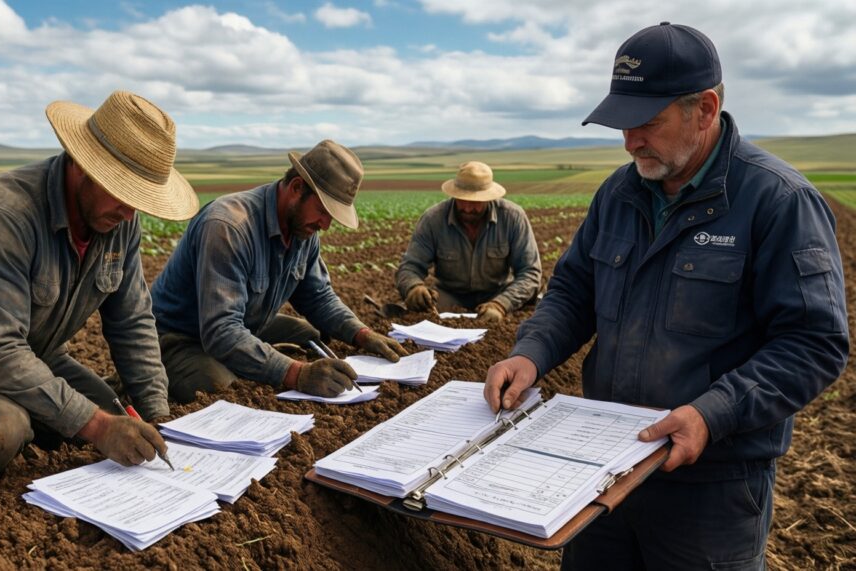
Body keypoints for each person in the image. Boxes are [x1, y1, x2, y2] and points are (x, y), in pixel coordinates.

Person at [484, 22, 848, 570]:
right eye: (621, 125)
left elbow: (813, 342)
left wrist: (710, 414)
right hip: (599, 472)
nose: (630, 142)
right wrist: (530, 353)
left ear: (704, 109)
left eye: (645, 123)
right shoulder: (619, 192)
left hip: (711, 489)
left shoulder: (777, 202)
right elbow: (574, 289)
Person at [0, 90, 200, 501]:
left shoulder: (121, 220)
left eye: (140, 201)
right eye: (125, 194)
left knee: (118, 419)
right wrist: (98, 427)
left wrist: (156, 412)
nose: (129, 213)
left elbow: (133, 320)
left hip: (33, 350)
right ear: (84, 166)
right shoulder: (4, 213)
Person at [150, 139, 408, 403]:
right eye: (323, 210)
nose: (326, 224)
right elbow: (221, 330)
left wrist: (362, 334)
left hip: (244, 323)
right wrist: (297, 374)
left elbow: (318, 297)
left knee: (309, 335)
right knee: (224, 389)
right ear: (297, 188)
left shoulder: (304, 230)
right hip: (179, 338)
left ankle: (252, 357)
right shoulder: (228, 227)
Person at [395, 161, 542, 323]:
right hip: (449, 296)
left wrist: (501, 304)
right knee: (418, 313)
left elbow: (530, 272)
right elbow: (410, 266)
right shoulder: (433, 219)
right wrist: (413, 287)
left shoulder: (512, 217)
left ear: (489, 197)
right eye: (462, 199)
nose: (467, 207)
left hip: (497, 293)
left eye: (476, 202)